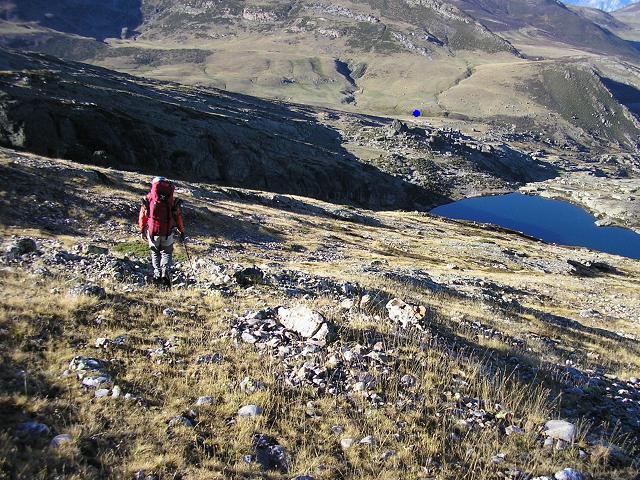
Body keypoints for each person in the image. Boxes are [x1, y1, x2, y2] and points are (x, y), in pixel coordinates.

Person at [138, 176, 185, 288]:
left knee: (155, 253)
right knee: (166, 253)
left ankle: (157, 274)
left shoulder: (148, 198)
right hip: (167, 231)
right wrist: (181, 230)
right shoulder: (171, 200)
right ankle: (165, 272)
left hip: (152, 231)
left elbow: (142, 216)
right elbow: (178, 216)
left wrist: (142, 229)